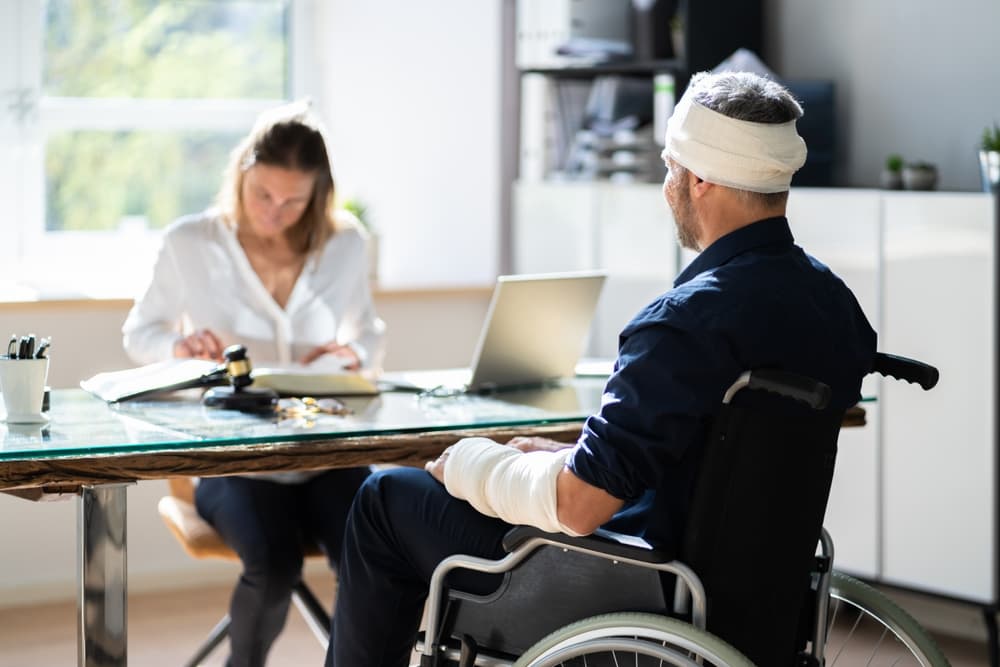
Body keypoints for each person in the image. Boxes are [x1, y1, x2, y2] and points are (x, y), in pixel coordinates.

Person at [324, 71, 878, 666]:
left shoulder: (683, 322)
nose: (667, 186)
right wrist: (559, 460)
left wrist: (472, 465)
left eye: (669, 166)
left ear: (698, 179)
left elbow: (582, 508)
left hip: (634, 589)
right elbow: (704, 460)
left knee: (385, 497)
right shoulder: (835, 307)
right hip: (758, 602)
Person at [122, 102, 385, 667]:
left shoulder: (345, 243)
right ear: (242, 173)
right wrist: (180, 348)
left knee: (375, 555)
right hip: (231, 457)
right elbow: (139, 332)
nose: (276, 211)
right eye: (263, 194)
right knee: (274, 565)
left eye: (294, 200)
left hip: (324, 450)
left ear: (318, 193)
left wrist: (354, 351)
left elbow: (368, 334)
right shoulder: (190, 242)